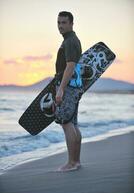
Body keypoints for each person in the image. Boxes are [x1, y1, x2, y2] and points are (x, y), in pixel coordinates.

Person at [55, 11, 82, 172]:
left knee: (66, 123)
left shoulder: (70, 41)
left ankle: (72, 163)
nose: (60, 26)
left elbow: (70, 66)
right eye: (58, 22)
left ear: (71, 23)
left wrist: (61, 90)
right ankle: (76, 161)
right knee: (73, 124)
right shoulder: (71, 40)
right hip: (75, 86)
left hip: (69, 87)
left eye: (64, 22)